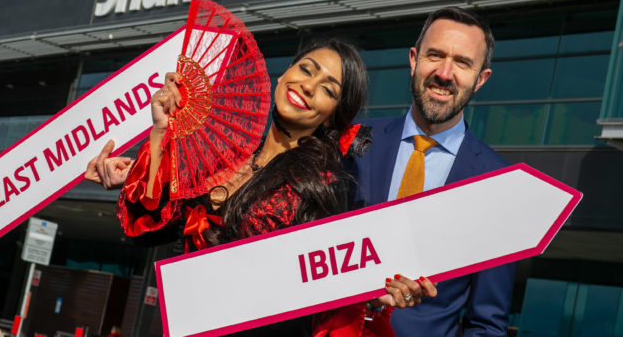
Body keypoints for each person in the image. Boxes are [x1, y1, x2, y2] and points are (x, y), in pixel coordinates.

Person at [86, 38, 436, 336]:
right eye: (306, 69)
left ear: (332, 115)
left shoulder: (325, 186)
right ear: (284, 73)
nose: (309, 86)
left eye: (328, 89)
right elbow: (146, 228)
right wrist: (161, 133)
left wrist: (372, 290)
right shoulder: (222, 153)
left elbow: (322, 280)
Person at [350, 7, 515, 337]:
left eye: (463, 63)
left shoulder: (498, 185)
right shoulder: (352, 142)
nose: (444, 72)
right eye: (435, 55)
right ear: (414, 59)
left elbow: (487, 323)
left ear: (481, 79)